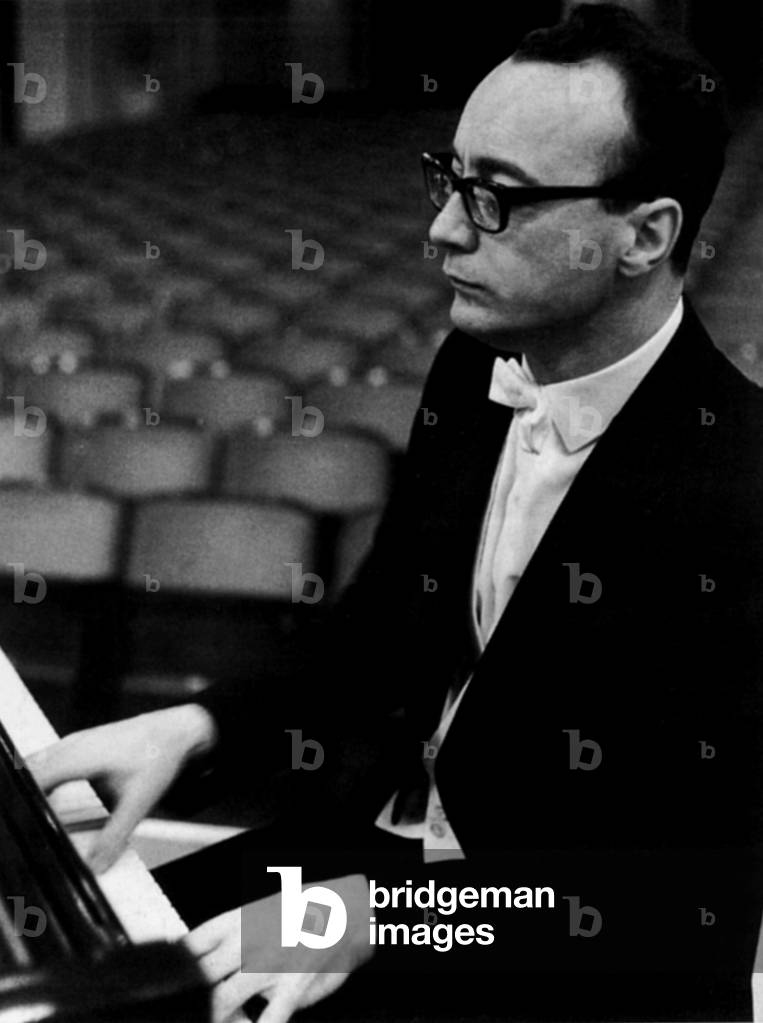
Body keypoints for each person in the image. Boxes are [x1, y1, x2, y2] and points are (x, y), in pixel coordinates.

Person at [28, 5, 763, 1022]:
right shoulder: (473, 370)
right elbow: (381, 626)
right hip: (383, 865)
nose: (444, 229)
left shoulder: (740, 486)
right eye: (451, 179)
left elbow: (681, 902)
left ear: (645, 236)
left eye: (498, 199)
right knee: (78, 969)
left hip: (575, 958)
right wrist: (198, 724)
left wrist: (378, 916)